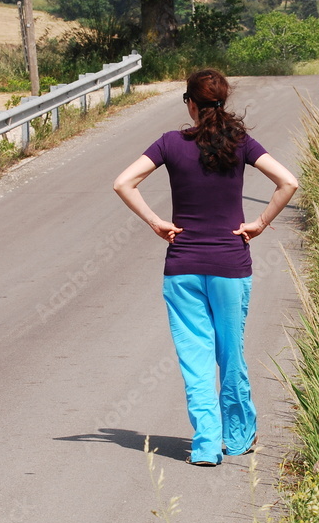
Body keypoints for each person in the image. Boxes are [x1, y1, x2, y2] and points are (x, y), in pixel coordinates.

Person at [113, 69, 299, 467]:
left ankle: (205, 446)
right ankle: (238, 437)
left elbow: (123, 183)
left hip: (182, 266)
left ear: (190, 104)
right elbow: (288, 182)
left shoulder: (169, 144)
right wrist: (260, 223)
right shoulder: (241, 143)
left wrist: (156, 222)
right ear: (223, 101)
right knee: (231, 355)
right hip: (231, 264)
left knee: (195, 359)